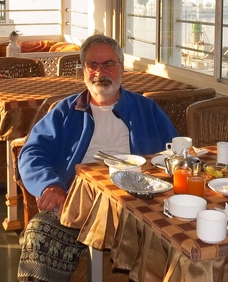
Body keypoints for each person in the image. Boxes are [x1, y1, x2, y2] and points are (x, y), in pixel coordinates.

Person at [17, 34, 177, 282]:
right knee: (40, 233)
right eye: (92, 64)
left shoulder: (146, 109)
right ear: (83, 70)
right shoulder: (65, 111)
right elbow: (32, 152)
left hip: (139, 207)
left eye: (109, 64)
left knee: (183, 241)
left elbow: (173, 153)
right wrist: (50, 185)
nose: (100, 72)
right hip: (79, 205)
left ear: (121, 68)